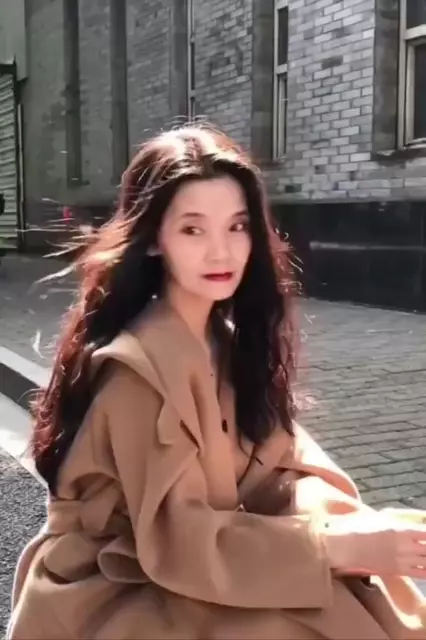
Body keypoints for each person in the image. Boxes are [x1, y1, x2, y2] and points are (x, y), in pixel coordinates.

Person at [7, 125, 426, 640]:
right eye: (193, 230)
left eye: (237, 226)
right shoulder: (134, 369)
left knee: (363, 593)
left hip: (188, 562)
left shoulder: (222, 340)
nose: (221, 252)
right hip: (110, 583)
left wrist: (350, 530)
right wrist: (332, 547)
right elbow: (179, 538)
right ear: (154, 239)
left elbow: (281, 464)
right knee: (298, 619)